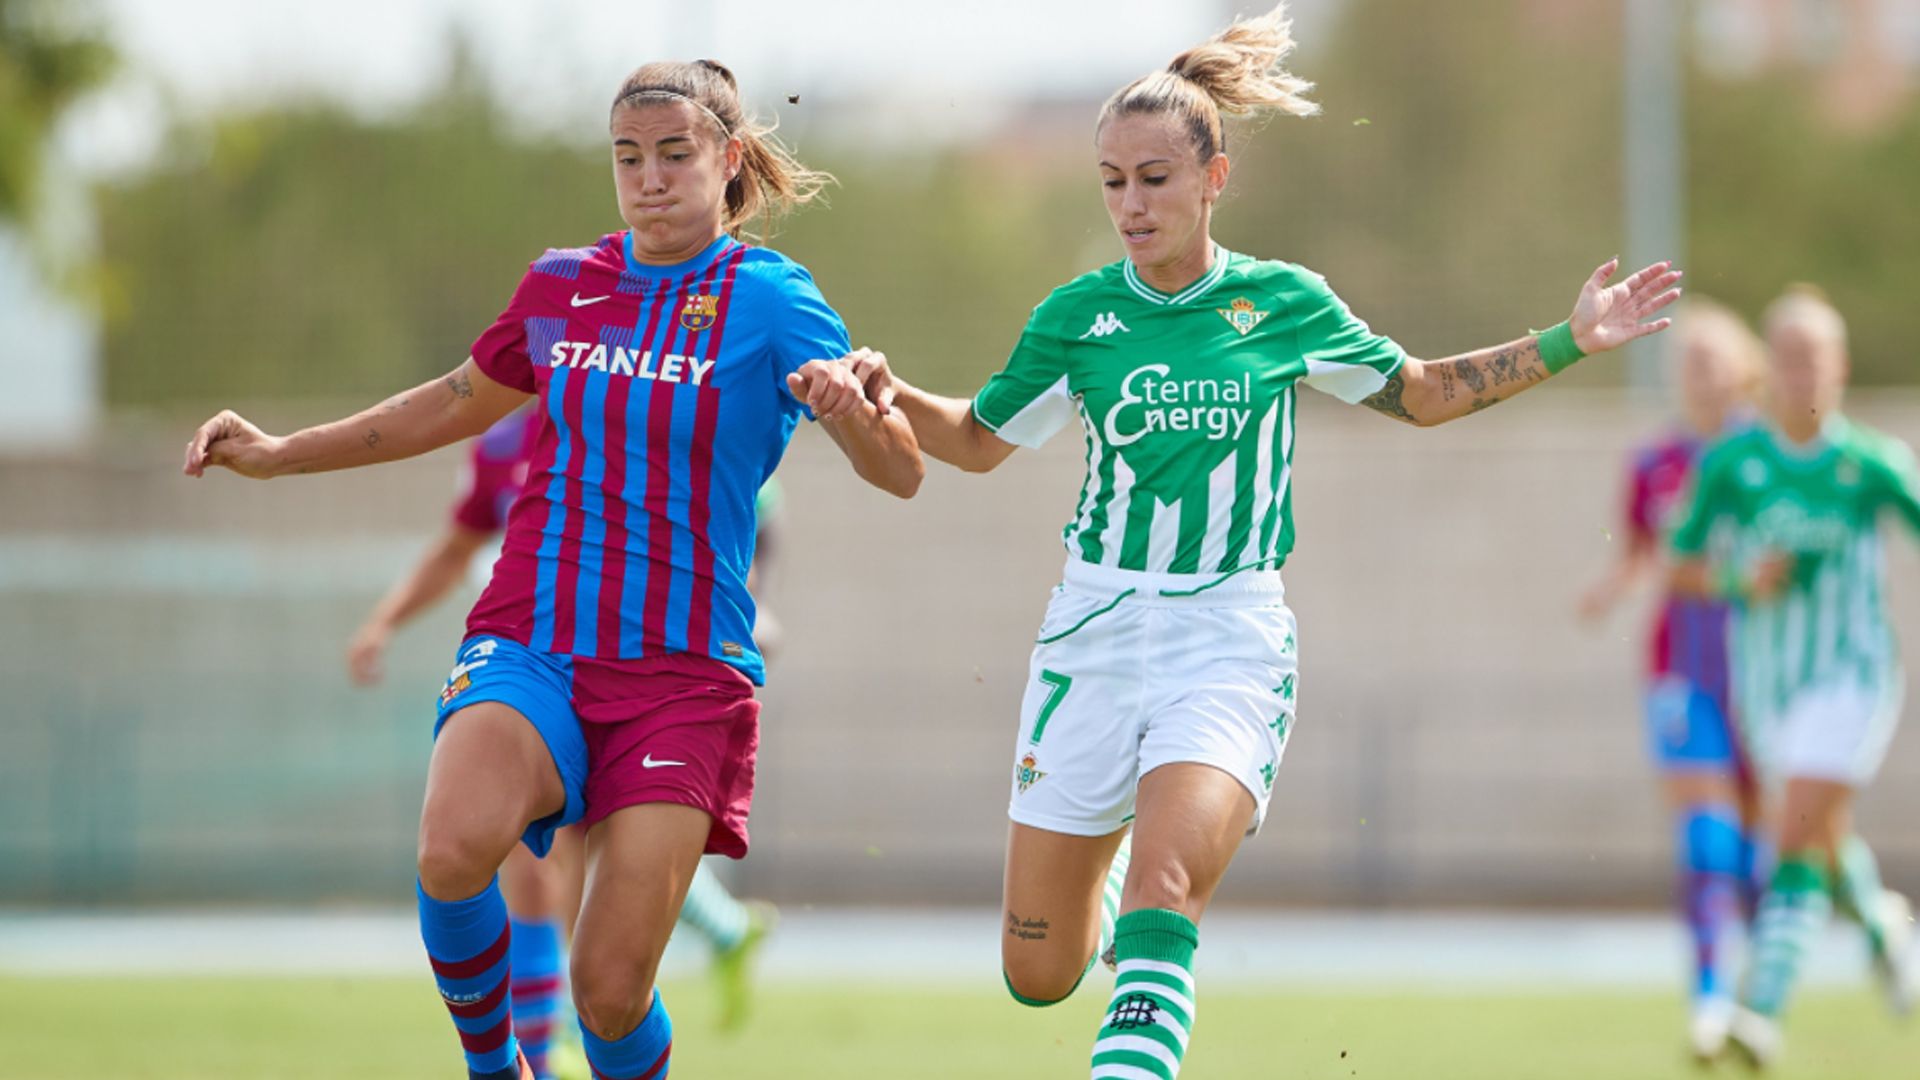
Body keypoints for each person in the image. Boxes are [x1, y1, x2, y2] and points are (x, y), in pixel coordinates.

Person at [838, 6, 1679, 1077]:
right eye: (1112, 182)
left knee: (1167, 890)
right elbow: (977, 443)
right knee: (1037, 972)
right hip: (1091, 632)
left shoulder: (1283, 304)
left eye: (1155, 178)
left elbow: (1417, 394)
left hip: (1224, 634)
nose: (1132, 205)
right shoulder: (1078, 316)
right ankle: (1097, 894)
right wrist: (886, 388)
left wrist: (1570, 339)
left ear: (1214, 180)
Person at [186, 57, 922, 1080]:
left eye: (675, 154)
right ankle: (499, 1071)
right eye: (628, 157)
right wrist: (275, 454)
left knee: (609, 994)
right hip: (532, 635)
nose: (650, 178)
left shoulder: (772, 300)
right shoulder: (563, 286)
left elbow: (902, 474)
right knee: (452, 847)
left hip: (681, 679)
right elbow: (445, 402)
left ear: (730, 160)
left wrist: (855, 415)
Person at [344, 407, 776, 1075]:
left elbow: (744, 520)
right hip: (543, 679)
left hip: (647, 681)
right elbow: (456, 546)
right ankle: (541, 1054)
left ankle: (693, 948)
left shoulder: (656, 411)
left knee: (608, 939)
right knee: (531, 872)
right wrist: (384, 621)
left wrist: (743, 614)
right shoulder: (503, 445)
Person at [1667, 286, 1915, 1068]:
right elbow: (1678, 568)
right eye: (1789, 358)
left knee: (1797, 830)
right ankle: (1886, 927)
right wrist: (1742, 579)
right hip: (1768, 687)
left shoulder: (1870, 463)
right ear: (1767, 369)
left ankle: (1759, 1006)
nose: (1803, 373)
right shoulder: (1734, 464)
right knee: (1820, 830)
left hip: (1852, 676)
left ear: (1839, 368)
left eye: (1817, 358)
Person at [1577, 300, 1768, 1060]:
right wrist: (1610, 588)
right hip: (1679, 667)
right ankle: (1709, 1000)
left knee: (1757, 845)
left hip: (1763, 668)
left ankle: (1757, 990)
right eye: (1687, 361)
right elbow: (1640, 551)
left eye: (1712, 358)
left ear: (1745, 368)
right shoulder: (1654, 463)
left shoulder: (1768, 457)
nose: (1699, 373)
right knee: (1705, 838)